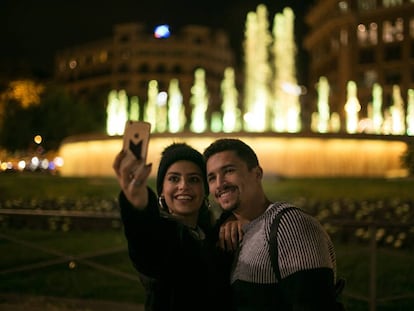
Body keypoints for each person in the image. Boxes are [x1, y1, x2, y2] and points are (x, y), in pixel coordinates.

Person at [203, 138, 339, 310]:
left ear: (257, 173)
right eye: (212, 178)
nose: (220, 184)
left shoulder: (290, 224)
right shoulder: (236, 234)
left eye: (229, 170)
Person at [113, 142, 235, 311]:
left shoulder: (212, 236)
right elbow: (145, 244)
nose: (184, 186)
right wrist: (138, 207)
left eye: (193, 179)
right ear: (162, 190)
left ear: (204, 189)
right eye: (174, 178)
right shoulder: (163, 237)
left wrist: (234, 217)